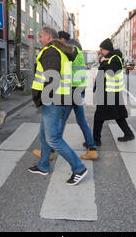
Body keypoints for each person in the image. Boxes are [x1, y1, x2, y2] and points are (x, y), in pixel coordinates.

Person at [29, 26, 88, 186]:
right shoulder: (60, 51)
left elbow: (51, 78)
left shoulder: (51, 51)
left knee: (53, 139)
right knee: (44, 135)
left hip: (54, 101)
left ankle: (78, 168)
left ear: (48, 36)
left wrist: (39, 98)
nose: (39, 39)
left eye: (40, 36)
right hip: (60, 99)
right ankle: (43, 166)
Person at [33, 31, 98, 161]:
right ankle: (92, 149)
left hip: (68, 91)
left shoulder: (63, 52)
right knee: (82, 121)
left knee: (59, 124)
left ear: (62, 39)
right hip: (79, 90)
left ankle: (50, 152)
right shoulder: (78, 53)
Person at [93, 38, 135, 146]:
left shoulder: (115, 58)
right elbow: (102, 72)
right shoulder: (109, 58)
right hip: (109, 92)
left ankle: (95, 140)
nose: (100, 51)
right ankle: (128, 133)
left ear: (106, 49)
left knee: (99, 117)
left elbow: (110, 72)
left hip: (110, 93)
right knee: (118, 115)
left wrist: (103, 62)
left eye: (101, 49)